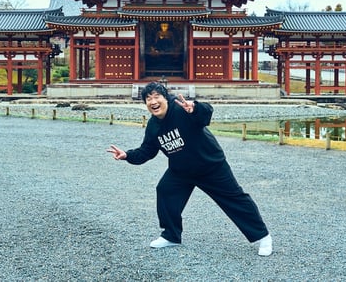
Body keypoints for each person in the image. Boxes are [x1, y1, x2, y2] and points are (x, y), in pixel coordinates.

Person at [106, 82, 272, 256]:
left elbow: (206, 114)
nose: (153, 102)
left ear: (166, 98)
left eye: (156, 97)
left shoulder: (182, 110)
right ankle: (171, 236)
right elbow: (147, 151)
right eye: (148, 99)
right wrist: (127, 155)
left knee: (235, 199)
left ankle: (263, 237)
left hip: (210, 166)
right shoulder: (153, 125)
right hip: (181, 170)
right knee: (165, 190)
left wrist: (196, 108)